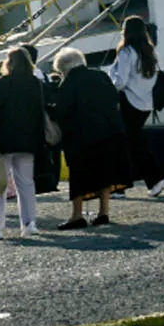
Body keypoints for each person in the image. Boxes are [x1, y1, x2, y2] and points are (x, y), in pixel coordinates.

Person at [52, 48, 131, 229]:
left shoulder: (69, 83)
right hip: (109, 132)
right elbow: (114, 98)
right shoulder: (100, 76)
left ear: (64, 68)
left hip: (82, 137)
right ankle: (103, 212)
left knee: (79, 175)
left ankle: (77, 215)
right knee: (105, 172)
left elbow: (62, 111)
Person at [0, 47, 44, 241]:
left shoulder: (2, 83)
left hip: (2, 142)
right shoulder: (35, 84)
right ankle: (29, 223)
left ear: (10, 63)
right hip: (28, 141)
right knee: (26, 184)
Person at [110, 16, 164, 197]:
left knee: (126, 144)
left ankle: (137, 183)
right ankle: (151, 180)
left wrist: (110, 79)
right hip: (145, 104)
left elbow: (120, 82)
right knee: (134, 143)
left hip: (129, 102)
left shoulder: (126, 52)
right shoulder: (149, 51)